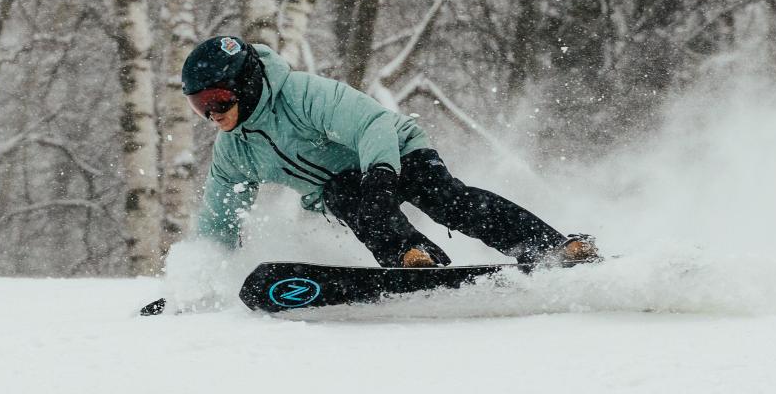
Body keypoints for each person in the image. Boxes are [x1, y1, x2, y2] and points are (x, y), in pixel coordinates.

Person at [182, 35, 598, 268]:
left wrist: (380, 175)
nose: (212, 114)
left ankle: (551, 247)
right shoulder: (233, 152)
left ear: (248, 82)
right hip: (340, 184)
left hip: (395, 149)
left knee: (444, 200)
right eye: (200, 106)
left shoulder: (303, 95)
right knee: (347, 198)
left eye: (217, 99)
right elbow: (218, 221)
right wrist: (199, 286)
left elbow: (372, 123)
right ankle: (414, 260)